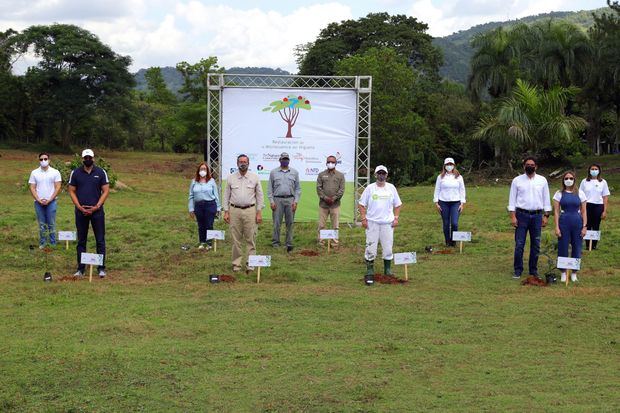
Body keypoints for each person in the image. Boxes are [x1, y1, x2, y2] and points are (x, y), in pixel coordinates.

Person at [68, 149, 110, 278]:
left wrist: (97, 206)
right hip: (81, 211)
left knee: (100, 240)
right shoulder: (75, 173)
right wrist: (79, 207)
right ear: (82, 159)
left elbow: (106, 190)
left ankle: (101, 268)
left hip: (97, 211)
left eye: (89, 158)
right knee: (81, 240)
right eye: (85, 158)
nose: (87, 160)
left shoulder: (101, 172)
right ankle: (81, 269)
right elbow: (71, 191)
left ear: (93, 158)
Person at [508, 156, 551, 279]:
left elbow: (546, 199)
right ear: (523, 166)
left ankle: (533, 270)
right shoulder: (517, 180)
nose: (530, 166)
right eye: (527, 164)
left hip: (537, 215)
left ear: (536, 166)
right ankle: (518, 270)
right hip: (521, 215)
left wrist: (546, 216)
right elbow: (512, 199)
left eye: (532, 164)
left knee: (536, 244)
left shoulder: (542, 180)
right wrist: (513, 216)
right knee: (519, 244)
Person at [358, 165, 402, 277]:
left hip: (387, 223)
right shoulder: (370, 188)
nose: (381, 175)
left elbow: (398, 204)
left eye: (383, 173)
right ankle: (370, 269)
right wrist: (363, 218)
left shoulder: (391, 188)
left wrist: (396, 218)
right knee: (370, 246)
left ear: (386, 175)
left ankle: (387, 269)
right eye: (379, 173)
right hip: (372, 222)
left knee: (387, 247)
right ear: (375, 175)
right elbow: (361, 204)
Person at [223, 154, 264, 272]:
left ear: (248, 163)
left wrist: (259, 212)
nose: (243, 163)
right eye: (240, 161)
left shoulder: (255, 177)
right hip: (234, 211)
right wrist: (226, 212)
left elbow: (260, 196)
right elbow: (226, 196)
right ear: (237, 164)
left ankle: (250, 264)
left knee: (250, 238)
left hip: (250, 211)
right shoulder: (230, 178)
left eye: (245, 161)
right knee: (236, 239)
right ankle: (236, 265)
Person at [553, 171, 587, 283]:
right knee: (563, 246)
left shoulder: (580, 193)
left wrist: (584, 226)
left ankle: (574, 273)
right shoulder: (559, 193)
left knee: (577, 247)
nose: (569, 180)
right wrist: (557, 227)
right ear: (563, 180)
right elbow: (557, 212)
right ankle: (563, 272)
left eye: (571, 178)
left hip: (577, 222)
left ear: (574, 179)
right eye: (566, 178)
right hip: (564, 222)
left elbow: (583, 211)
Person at [268, 152, 301, 252]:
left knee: (290, 223)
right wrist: (271, 201)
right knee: (277, 223)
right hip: (277, 200)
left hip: (290, 200)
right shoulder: (273, 172)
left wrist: (295, 201)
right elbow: (270, 189)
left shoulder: (294, 172)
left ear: (289, 160)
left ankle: (289, 243)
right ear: (280, 160)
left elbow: (298, 189)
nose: (285, 161)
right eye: (283, 159)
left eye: (286, 159)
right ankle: (276, 242)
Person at [28, 152, 62, 248]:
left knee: (51, 223)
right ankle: (42, 242)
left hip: (52, 202)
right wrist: (38, 199)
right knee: (42, 223)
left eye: (45, 159)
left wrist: (50, 199)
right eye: (41, 159)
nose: (43, 161)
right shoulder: (34, 173)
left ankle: (52, 242)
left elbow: (58, 187)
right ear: (39, 161)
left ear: (49, 160)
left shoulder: (55, 172)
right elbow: (32, 187)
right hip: (38, 202)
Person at [433, 157, 466, 247]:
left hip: (456, 203)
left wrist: (462, 203)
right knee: (446, 223)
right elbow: (437, 190)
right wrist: (436, 203)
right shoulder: (440, 177)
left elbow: (462, 190)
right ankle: (448, 242)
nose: (449, 166)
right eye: (447, 164)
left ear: (454, 165)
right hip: (443, 202)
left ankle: (454, 241)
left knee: (454, 223)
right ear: (444, 166)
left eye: (451, 164)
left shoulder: (459, 177)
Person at [188, 162, 220, 250]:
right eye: (201, 169)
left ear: (207, 171)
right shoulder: (194, 181)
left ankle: (209, 243)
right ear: (198, 171)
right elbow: (191, 196)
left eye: (205, 169)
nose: (203, 171)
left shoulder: (211, 181)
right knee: (201, 225)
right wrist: (191, 208)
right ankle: (202, 242)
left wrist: (218, 207)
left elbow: (216, 195)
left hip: (210, 205)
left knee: (209, 224)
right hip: (198, 206)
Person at [579, 164, 610, 250]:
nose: (594, 170)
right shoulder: (584, 181)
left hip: (598, 206)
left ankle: (594, 245)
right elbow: (580, 195)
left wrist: (604, 210)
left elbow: (605, 197)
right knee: (586, 225)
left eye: (596, 169)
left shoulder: (603, 182)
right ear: (589, 170)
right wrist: (580, 208)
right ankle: (587, 244)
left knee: (596, 225)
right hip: (587, 205)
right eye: (592, 169)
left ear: (599, 170)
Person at [316, 155, 345, 245]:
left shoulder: (340, 175)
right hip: (323, 204)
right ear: (326, 163)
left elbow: (342, 189)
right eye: (328, 162)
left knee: (335, 225)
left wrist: (334, 198)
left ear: (336, 163)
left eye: (332, 162)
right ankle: (321, 241)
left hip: (335, 204)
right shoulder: (321, 175)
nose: (330, 163)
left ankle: (335, 242)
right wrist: (325, 198)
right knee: (321, 225)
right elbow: (318, 188)